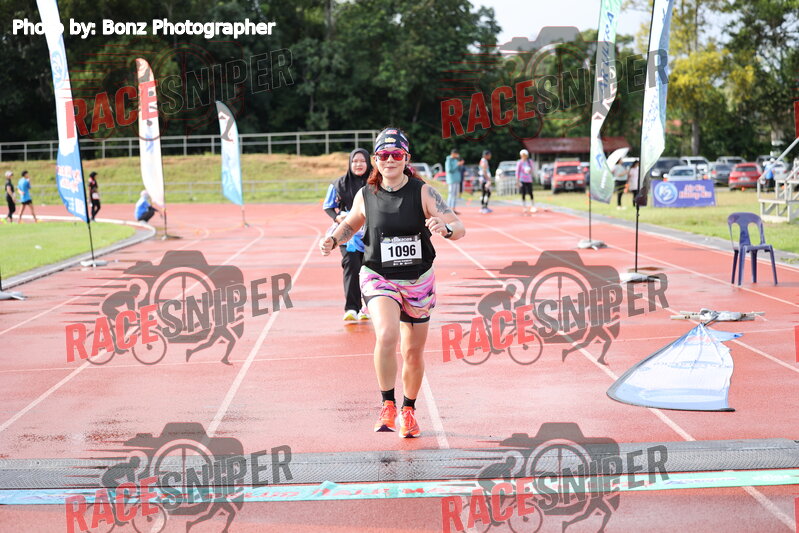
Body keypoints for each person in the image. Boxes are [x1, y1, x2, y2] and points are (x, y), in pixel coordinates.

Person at [319, 127, 465, 438]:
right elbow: (350, 224)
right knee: (386, 334)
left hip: (418, 280)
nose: (389, 160)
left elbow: (458, 225)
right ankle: (387, 404)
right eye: (383, 155)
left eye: (396, 154)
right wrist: (333, 239)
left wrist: (446, 228)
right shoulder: (365, 194)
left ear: (406, 158)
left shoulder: (423, 192)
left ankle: (408, 410)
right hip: (378, 275)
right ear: (375, 160)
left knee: (413, 351)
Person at [323, 148, 373, 322]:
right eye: (355, 161)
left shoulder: (377, 181)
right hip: (348, 234)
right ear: (350, 163)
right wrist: (338, 217)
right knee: (351, 266)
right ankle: (352, 308)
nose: (358, 164)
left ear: (369, 162)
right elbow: (328, 206)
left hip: (372, 233)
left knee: (370, 269)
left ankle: (367, 307)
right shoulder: (339, 184)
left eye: (362, 161)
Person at [516, 149, 536, 215]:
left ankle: (533, 206)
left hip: (529, 180)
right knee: (523, 193)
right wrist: (517, 181)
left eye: (525, 155)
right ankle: (524, 207)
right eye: (523, 155)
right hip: (522, 180)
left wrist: (530, 171)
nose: (524, 156)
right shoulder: (519, 162)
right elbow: (517, 172)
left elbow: (532, 169)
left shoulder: (529, 162)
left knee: (530, 192)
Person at [445, 148, 464, 214]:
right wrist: (457, 165)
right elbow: (449, 170)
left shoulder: (456, 160)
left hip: (457, 179)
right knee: (451, 194)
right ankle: (448, 209)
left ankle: (453, 208)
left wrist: (460, 164)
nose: (457, 155)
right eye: (456, 154)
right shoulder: (448, 160)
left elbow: (459, 169)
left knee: (455, 195)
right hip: (451, 180)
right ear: (453, 154)